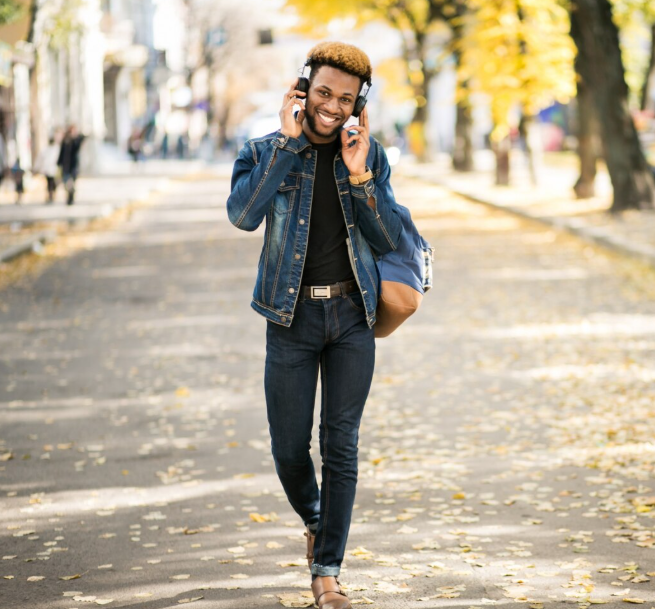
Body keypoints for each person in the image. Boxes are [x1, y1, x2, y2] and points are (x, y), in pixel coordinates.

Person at [226, 41, 404, 609]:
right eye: (323, 92)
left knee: (342, 447)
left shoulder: (368, 157)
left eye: (345, 99)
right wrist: (286, 142)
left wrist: (359, 177)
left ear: (358, 105)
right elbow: (243, 215)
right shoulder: (265, 149)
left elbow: (388, 239)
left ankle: (326, 572)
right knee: (287, 447)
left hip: (353, 317)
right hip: (291, 316)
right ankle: (317, 518)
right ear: (304, 89)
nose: (332, 106)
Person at [57, 125, 85, 205]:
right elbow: (61, 153)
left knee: (72, 183)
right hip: (65, 166)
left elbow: (79, 145)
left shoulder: (75, 141)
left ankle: (71, 198)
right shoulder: (65, 141)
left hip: (73, 167)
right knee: (66, 183)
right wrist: (59, 163)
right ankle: (69, 196)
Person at [36, 135, 61, 204]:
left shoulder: (56, 149)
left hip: (53, 170)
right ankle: (50, 196)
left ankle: (52, 195)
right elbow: (40, 159)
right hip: (48, 170)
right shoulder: (46, 149)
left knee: (53, 184)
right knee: (50, 183)